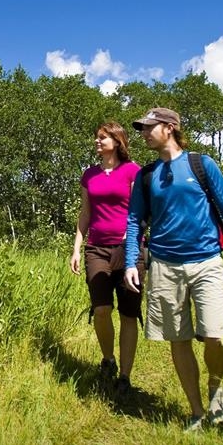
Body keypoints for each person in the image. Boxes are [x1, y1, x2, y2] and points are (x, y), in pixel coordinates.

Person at [122, 108, 223, 432]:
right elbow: (133, 220)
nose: (143, 133)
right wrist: (130, 262)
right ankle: (197, 412)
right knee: (178, 339)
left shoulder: (201, 164)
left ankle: (215, 387)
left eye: (148, 127)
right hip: (165, 266)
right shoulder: (146, 175)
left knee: (216, 334)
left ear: (169, 128)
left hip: (207, 261)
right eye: (141, 128)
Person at [69, 121, 143, 394]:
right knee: (101, 309)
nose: (97, 141)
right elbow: (85, 213)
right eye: (96, 138)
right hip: (97, 248)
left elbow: (139, 212)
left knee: (128, 313)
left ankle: (125, 375)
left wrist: (133, 239)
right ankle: (108, 360)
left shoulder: (132, 171)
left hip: (130, 252)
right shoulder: (89, 175)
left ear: (117, 140)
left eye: (103, 138)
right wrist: (77, 248)